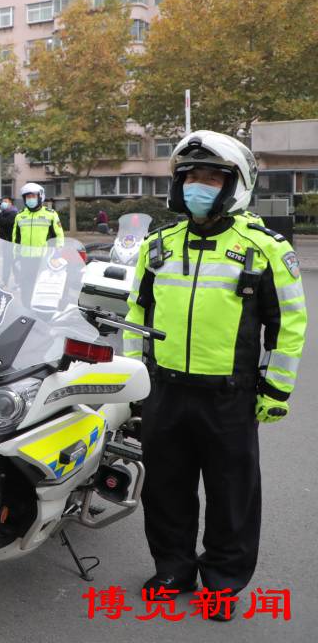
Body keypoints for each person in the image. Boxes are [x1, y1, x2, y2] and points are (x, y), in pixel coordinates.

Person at [124, 131, 307, 619]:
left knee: (231, 497)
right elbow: (136, 313)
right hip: (165, 391)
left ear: (235, 185)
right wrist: (134, 379)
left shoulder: (264, 249)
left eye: (211, 177)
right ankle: (173, 570)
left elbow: (289, 324)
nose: (197, 186)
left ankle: (222, 585)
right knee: (165, 489)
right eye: (190, 177)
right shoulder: (158, 245)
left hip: (229, 396)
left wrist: (276, 389)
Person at [10, 182, 64, 253]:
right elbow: (16, 238)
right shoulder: (19, 215)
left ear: (40, 197)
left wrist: (57, 253)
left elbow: (59, 236)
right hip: (24, 256)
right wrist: (16, 255)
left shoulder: (51, 214)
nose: (30, 199)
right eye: (28, 197)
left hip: (45, 256)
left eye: (33, 196)